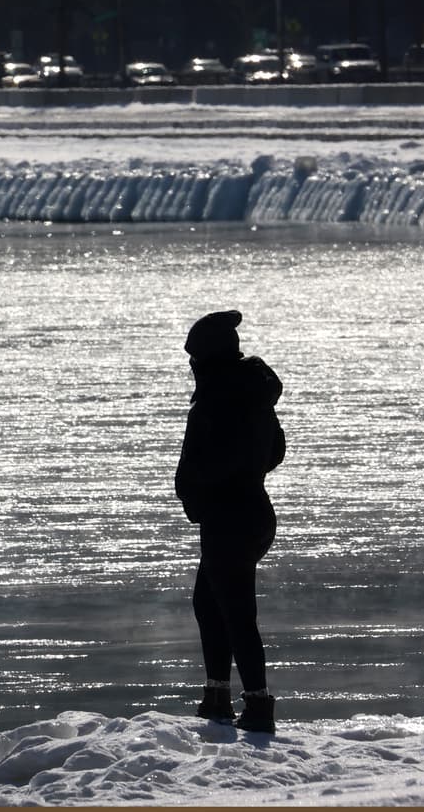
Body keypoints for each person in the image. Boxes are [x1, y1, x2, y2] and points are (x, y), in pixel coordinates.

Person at [174, 310, 286, 733]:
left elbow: (203, 464)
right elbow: (275, 451)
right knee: (210, 603)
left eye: (194, 357)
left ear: (208, 357)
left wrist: (198, 489)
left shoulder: (217, 401)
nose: (190, 366)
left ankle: (257, 706)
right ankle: (217, 695)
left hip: (230, 517)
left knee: (236, 612)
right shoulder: (250, 396)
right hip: (253, 511)